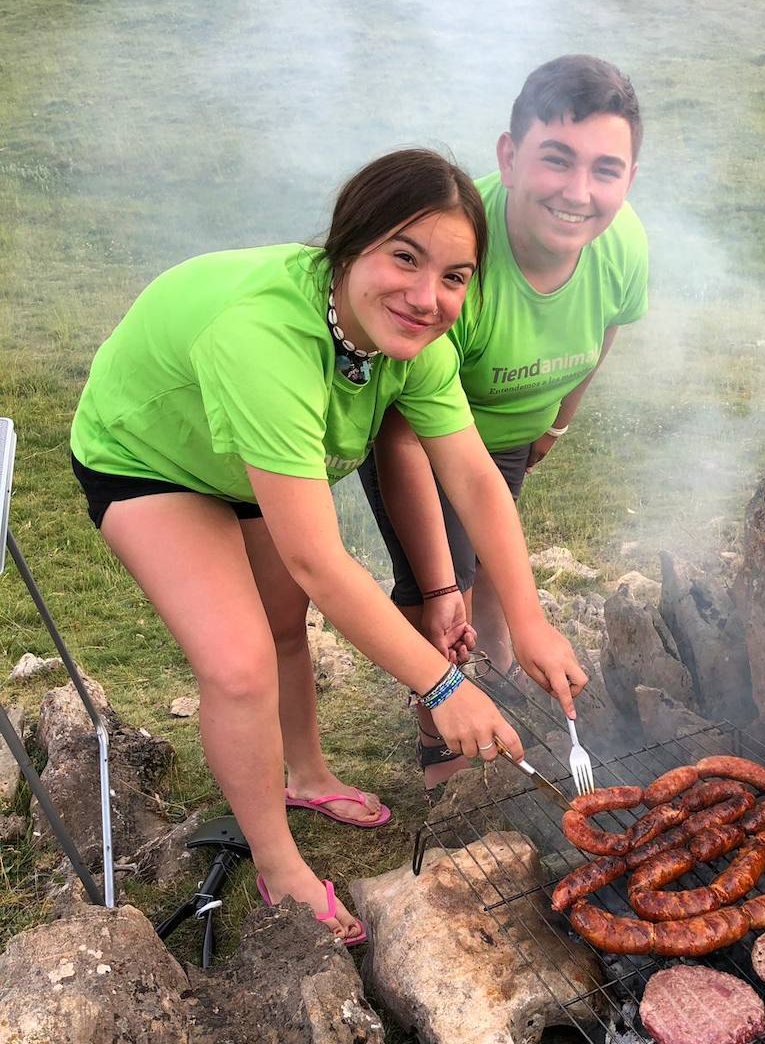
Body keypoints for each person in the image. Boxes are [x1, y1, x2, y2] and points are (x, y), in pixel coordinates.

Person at [70, 149, 586, 942]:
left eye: (454, 276)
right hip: (149, 456)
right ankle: (280, 867)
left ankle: (307, 775)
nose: (427, 297)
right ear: (348, 246)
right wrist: (443, 689)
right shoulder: (265, 336)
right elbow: (317, 558)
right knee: (238, 665)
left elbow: (476, 481)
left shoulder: (417, 340)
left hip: (252, 457)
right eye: (404, 258)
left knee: (285, 629)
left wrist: (530, 620)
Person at [359, 55, 648, 789]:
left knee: (492, 574)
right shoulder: (461, 261)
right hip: (416, 436)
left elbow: (603, 332)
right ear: (510, 157)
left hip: (510, 429)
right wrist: (436, 589)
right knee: (444, 593)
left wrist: (555, 426)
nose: (579, 192)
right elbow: (402, 432)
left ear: (629, 177)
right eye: (557, 159)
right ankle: (448, 765)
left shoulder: (621, 245)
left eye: (605, 169)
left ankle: (499, 699)